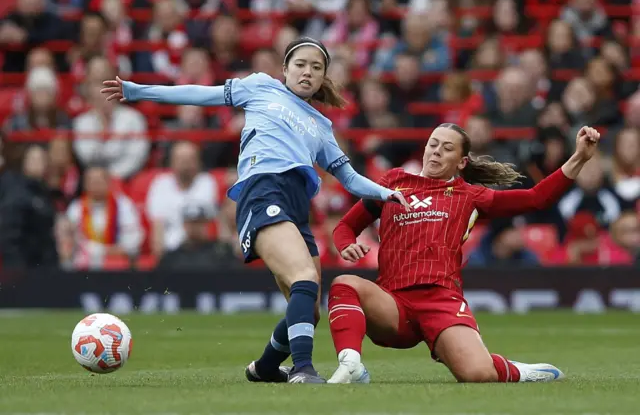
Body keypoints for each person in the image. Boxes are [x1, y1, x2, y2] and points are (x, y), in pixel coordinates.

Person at [100, 36, 410, 384]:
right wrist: (139, 91)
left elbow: (350, 178)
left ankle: (264, 368)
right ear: (285, 69)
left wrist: (386, 194)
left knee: (308, 306)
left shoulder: (322, 127)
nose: (307, 72)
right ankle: (303, 370)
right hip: (263, 190)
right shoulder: (261, 86)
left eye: (316, 67)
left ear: (323, 77)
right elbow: (203, 94)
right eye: (301, 64)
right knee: (304, 279)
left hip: (297, 205)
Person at [326, 123, 600, 384]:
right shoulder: (393, 183)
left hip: (441, 301)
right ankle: (352, 365)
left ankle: (517, 370)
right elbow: (346, 226)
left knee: (478, 374)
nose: (436, 151)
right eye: (433, 144)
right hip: (393, 304)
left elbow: (536, 198)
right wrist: (346, 243)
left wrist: (579, 157)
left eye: (447, 148)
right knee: (344, 284)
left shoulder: (470, 195)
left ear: (462, 162)